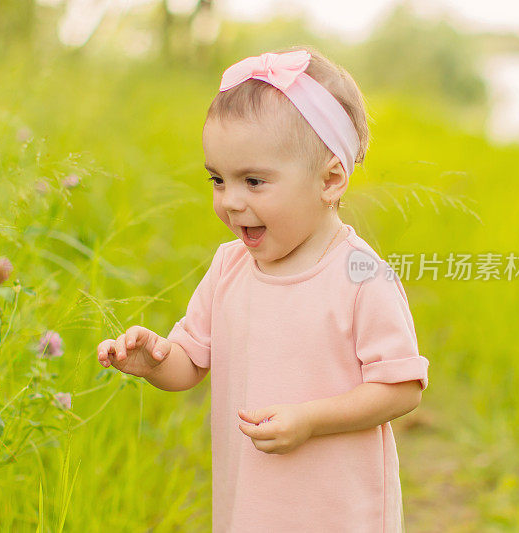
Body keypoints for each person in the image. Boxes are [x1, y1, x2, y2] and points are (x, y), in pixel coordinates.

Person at [96, 45, 430, 532]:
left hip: (339, 510)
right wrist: (155, 361)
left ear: (330, 179)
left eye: (253, 181)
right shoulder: (230, 267)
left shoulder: (361, 276)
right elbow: (190, 362)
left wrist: (312, 420)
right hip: (253, 507)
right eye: (218, 180)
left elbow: (401, 390)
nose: (230, 202)